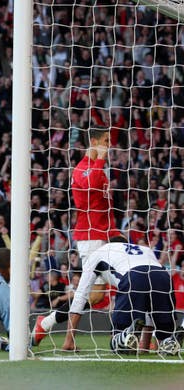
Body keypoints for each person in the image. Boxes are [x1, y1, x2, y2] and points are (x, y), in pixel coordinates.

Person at [33, 127, 119, 349]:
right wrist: (100, 159)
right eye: (106, 140)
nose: (109, 145)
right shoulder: (82, 169)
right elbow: (90, 188)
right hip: (89, 236)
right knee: (93, 290)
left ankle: (48, 324)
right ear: (93, 140)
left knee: (97, 296)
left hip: (104, 234)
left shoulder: (100, 168)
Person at [59, 236, 182, 355]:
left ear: (109, 243)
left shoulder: (100, 251)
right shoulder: (145, 250)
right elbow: (148, 304)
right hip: (163, 277)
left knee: (116, 340)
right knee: (163, 329)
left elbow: (80, 296)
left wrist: (68, 341)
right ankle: (168, 342)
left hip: (134, 277)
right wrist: (144, 347)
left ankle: (124, 336)